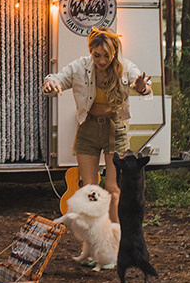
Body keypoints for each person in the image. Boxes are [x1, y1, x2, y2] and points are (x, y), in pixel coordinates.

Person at [42, 26, 151, 224]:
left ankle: (115, 238)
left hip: (115, 129)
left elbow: (142, 84)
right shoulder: (80, 67)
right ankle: (94, 238)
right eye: (96, 55)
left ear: (115, 52)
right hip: (88, 128)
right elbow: (56, 78)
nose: (101, 60)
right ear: (90, 51)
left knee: (112, 188)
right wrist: (51, 84)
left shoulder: (125, 67)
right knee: (89, 188)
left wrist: (142, 87)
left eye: (107, 56)